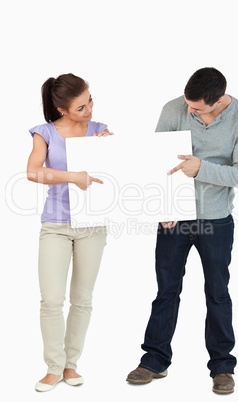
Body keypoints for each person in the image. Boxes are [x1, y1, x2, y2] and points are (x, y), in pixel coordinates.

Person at [126, 67, 238, 394]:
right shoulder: (174, 108)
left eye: (196, 108)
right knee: (166, 291)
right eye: (188, 103)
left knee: (217, 293)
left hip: (216, 220)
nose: (189, 111)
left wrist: (200, 168)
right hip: (174, 218)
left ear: (217, 102)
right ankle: (154, 360)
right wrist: (163, 206)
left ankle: (222, 367)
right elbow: (154, 161)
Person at [27, 73, 113, 392]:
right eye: (80, 107)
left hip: (93, 224)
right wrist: (71, 176)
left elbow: (119, 172)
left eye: (89, 100)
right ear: (62, 109)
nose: (89, 109)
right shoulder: (45, 133)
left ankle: (70, 364)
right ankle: (52, 367)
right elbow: (33, 172)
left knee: (82, 298)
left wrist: (113, 150)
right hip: (56, 225)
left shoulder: (99, 131)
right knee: (51, 300)